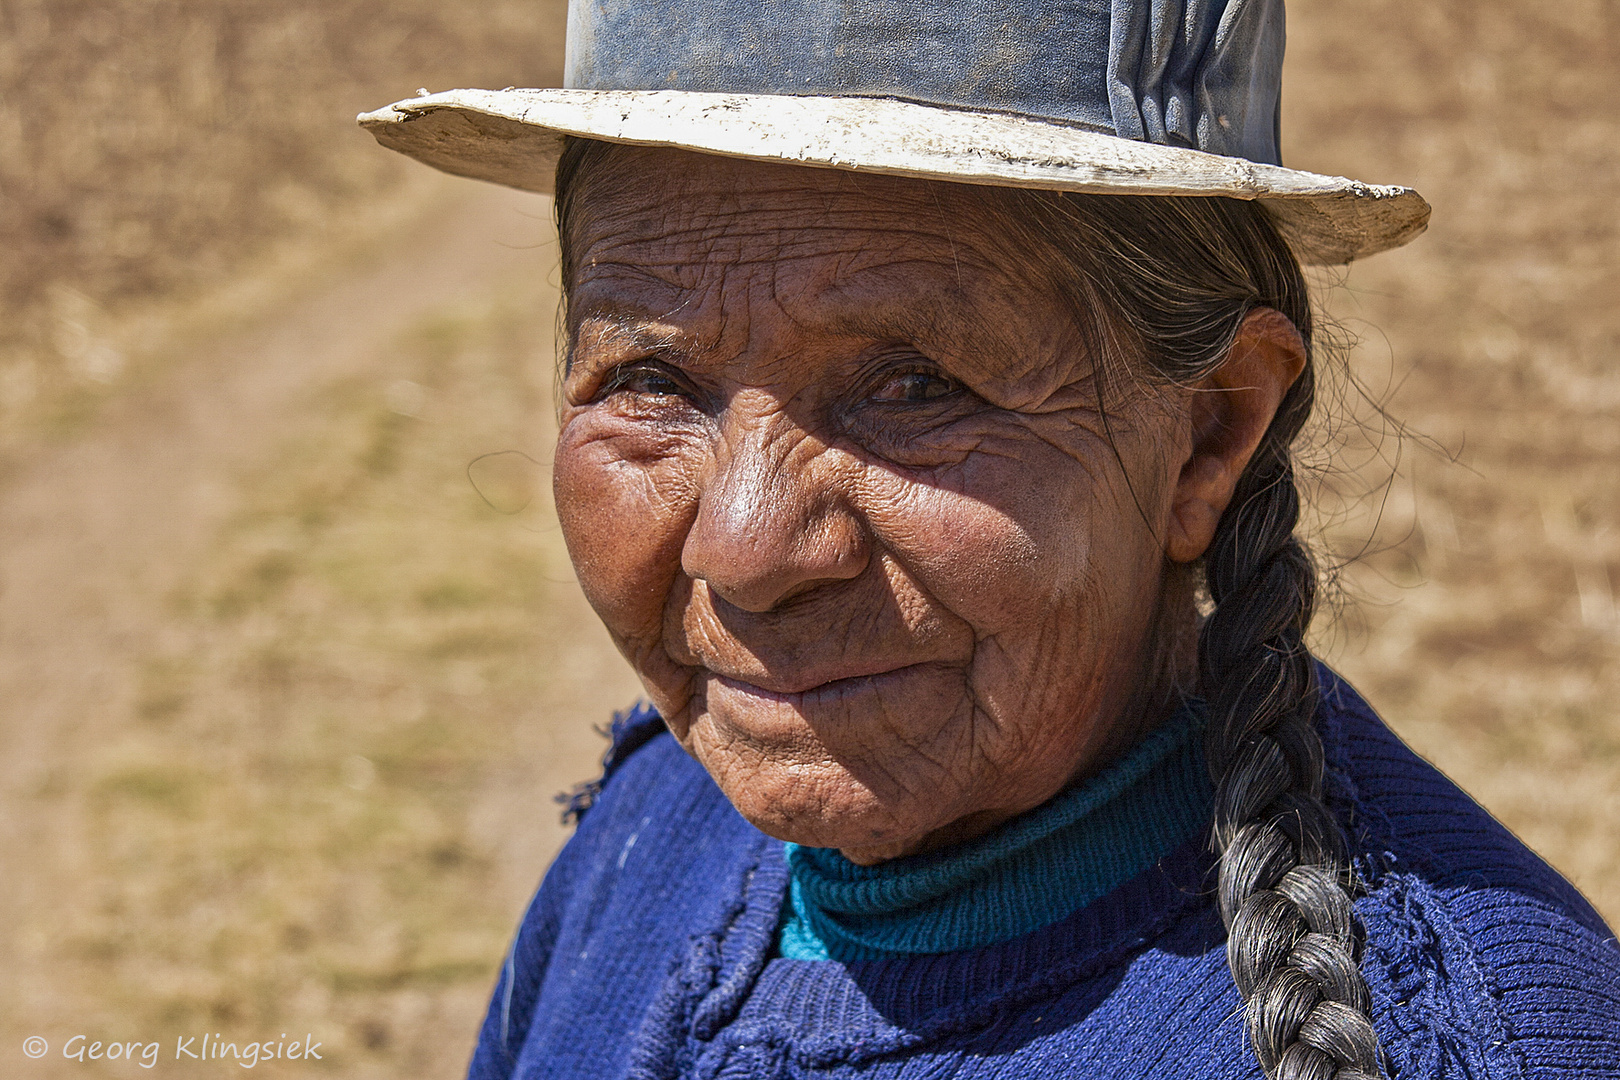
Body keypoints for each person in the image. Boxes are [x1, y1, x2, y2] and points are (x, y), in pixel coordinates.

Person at [361, 1, 1620, 1076]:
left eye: (913, 388)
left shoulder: (1464, 1037)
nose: (742, 549)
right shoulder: (648, 840)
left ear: (1209, 437)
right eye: (650, 382)